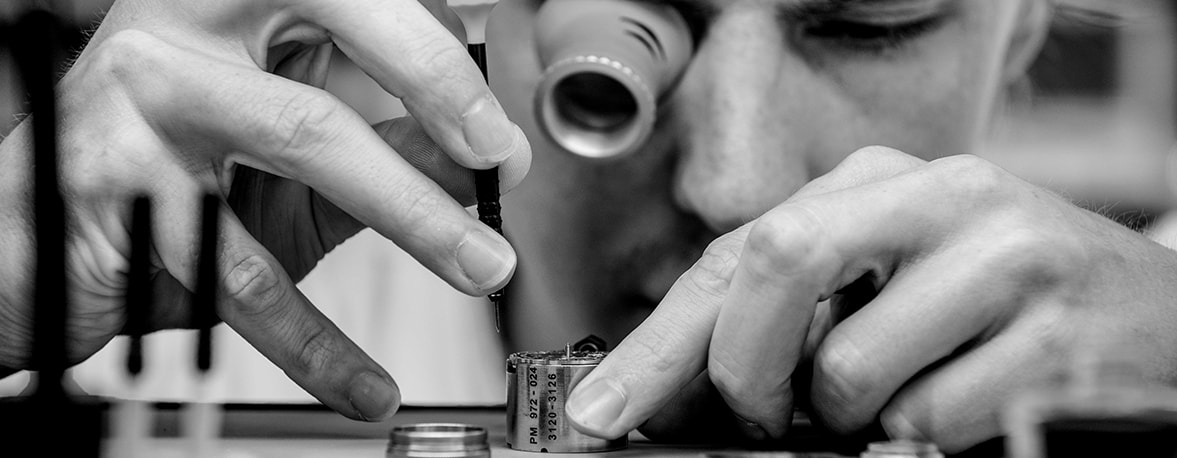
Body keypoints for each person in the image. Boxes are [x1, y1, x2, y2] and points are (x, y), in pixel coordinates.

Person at [1, 0, 1174, 453]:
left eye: (870, 25)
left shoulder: (1151, 334)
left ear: (1023, 40)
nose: (736, 188)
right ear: (469, 26)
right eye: (610, 74)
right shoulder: (196, 301)